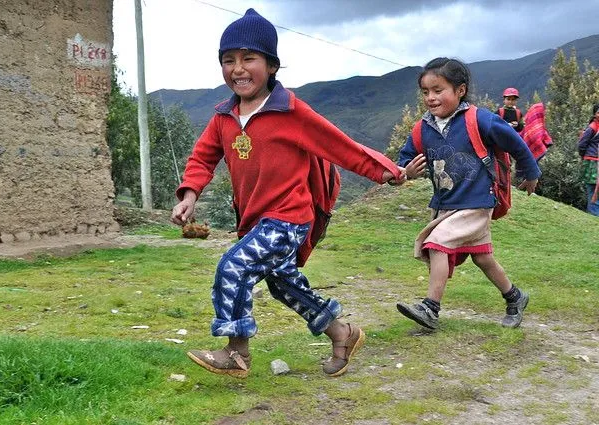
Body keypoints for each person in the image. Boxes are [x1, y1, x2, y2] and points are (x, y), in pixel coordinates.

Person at [171, 8, 406, 378]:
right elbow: (202, 157)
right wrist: (189, 195)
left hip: (289, 217)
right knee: (285, 287)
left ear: (272, 66)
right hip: (254, 221)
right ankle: (342, 333)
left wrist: (386, 170)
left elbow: (338, 145)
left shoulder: (290, 111)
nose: (238, 68)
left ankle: (236, 352)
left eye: (249, 58)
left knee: (234, 266)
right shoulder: (224, 117)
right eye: (228, 60)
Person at [395, 58, 541, 330]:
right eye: (426, 92)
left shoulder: (480, 119)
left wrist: (530, 173)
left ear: (460, 90)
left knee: (437, 243)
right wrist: (406, 173)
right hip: (447, 204)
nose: (431, 97)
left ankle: (430, 308)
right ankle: (515, 296)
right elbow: (404, 161)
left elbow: (516, 143)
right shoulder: (422, 129)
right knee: (482, 257)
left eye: (438, 90)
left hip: (477, 201)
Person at [577, 102, 599, 216]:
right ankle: (594, 214)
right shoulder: (592, 127)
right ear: (595, 114)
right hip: (592, 161)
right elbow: (582, 144)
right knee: (593, 186)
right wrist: (584, 156)